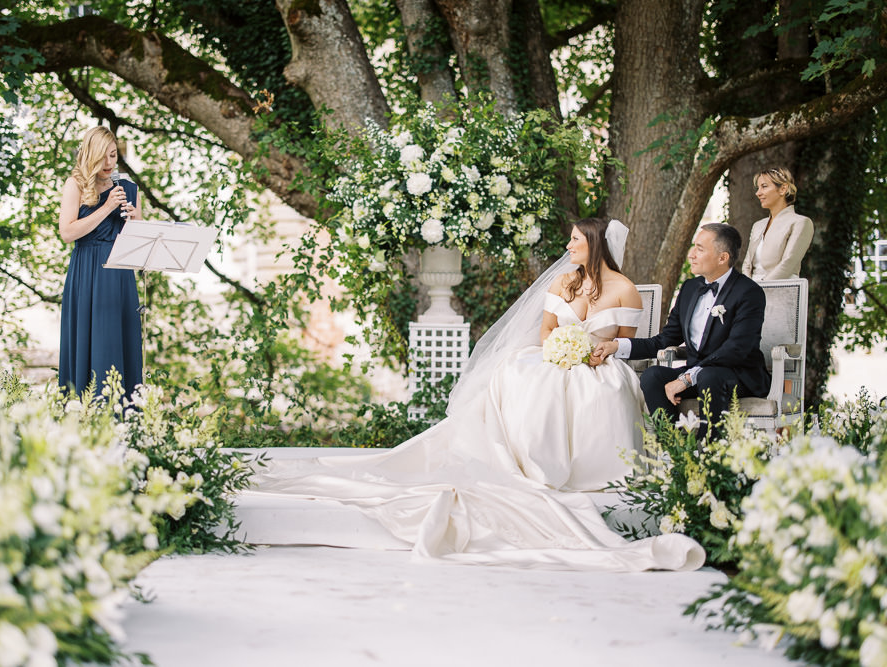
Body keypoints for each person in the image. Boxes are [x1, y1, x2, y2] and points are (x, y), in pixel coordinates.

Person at [249, 218, 706, 572]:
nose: (568, 247)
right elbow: (547, 332)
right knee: (523, 374)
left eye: (575, 241)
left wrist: (594, 351)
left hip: (596, 367)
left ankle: (583, 467)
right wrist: (559, 351)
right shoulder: (562, 282)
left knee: (597, 389)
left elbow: (623, 340)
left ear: (595, 244)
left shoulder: (625, 288)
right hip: (551, 359)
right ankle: (529, 462)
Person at [592, 223, 770, 435]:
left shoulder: (749, 292)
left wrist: (686, 379)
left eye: (700, 249)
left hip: (739, 376)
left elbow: (737, 348)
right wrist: (616, 346)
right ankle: (673, 449)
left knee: (709, 376)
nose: (691, 255)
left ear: (722, 258)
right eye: (693, 247)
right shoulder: (690, 288)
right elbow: (665, 339)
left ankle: (709, 454)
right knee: (653, 376)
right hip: (699, 374)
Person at [58, 126, 143, 400]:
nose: (109, 164)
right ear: (91, 156)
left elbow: (141, 239)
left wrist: (133, 221)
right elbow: (67, 232)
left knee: (121, 342)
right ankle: (86, 413)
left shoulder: (128, 188)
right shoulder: (76, 184)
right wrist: (106, 209)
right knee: (91, 342)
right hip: (88, 273)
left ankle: (127, 419)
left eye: (113, 155)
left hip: (120, 275)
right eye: (104, 157)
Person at [741, 167, 813, 281]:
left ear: (783, 189)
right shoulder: (758, 225)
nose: (758, 193)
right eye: (758, 188)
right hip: (752, 292)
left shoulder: (801, 222)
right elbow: (747, 264)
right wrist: (749, 289)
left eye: (764, 186)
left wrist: (760, 288)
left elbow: (788, 263)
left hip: (781, 290)